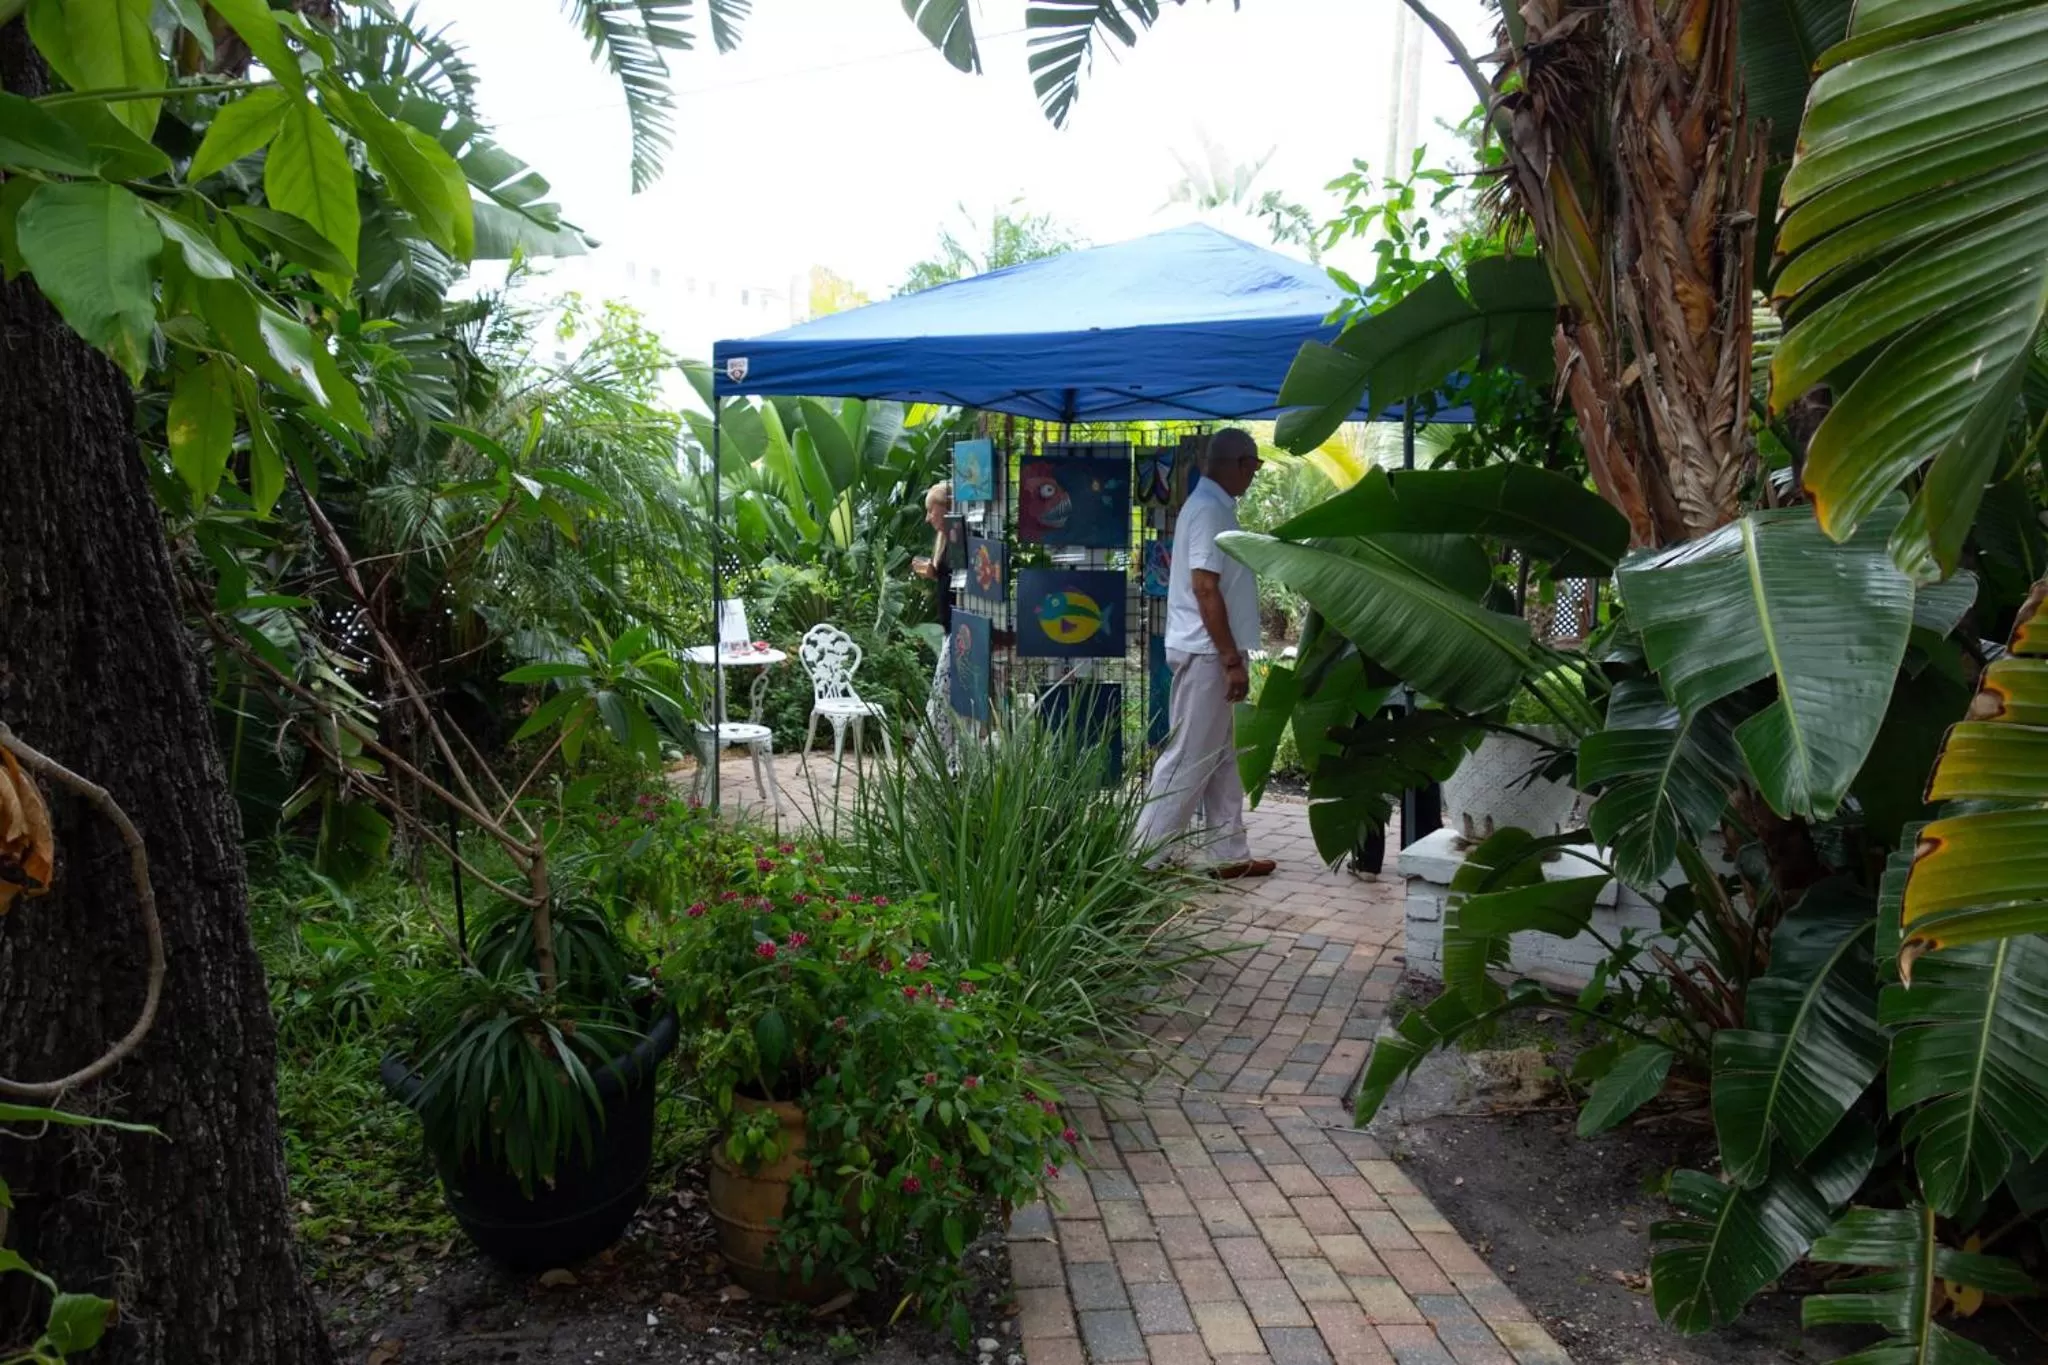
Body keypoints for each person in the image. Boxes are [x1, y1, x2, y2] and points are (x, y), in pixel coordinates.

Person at [1135, 429, 1276, 878]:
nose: (1253, 476)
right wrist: (1231, 659)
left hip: (1205, 649)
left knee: (1219, 755)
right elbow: (1205, 587)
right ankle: (1138, 859)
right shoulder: (1211, 510)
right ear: (1238, 464)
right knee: (1189, 757)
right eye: (1253, 467)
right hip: (1207, 652)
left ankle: (1228, 851)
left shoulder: (1210, 506)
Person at [911, 481, 959, 769]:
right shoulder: (945, 541)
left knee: (944, 693)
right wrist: (932, 570)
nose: (928, 517)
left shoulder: (959, 541)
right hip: (950, 627)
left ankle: (937, 758)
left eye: (932, 509)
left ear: (948, 507)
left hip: (960, 628)